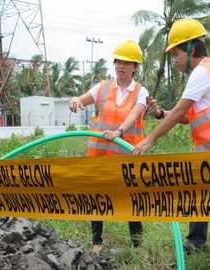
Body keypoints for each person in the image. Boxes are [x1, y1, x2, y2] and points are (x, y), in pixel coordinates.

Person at [132, 18, 210, 269]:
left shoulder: (202, 71)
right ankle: (196, 245)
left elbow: (181, 112)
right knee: (203, 199)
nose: (174, 59)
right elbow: (187, 115)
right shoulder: (208, 70)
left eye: (176, 53)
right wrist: (160, 114)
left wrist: (149, 139)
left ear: (191, 49)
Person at [69, 40, 149, 253]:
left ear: (135, 67)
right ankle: (96, 242)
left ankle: (137, 245)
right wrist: (76, 100)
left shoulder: (141, 92)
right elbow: (83, 99)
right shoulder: (103, 87)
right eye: (117, 62)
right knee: (98, 198)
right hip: (99, 156)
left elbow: (134, 114)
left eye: (126, 62)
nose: (120, 66)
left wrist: (119, 132)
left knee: (131, 200)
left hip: (126, 156)